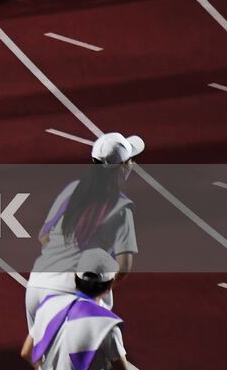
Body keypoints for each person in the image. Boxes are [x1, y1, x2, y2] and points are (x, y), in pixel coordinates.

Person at [25, 132, 143, 325]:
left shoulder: (73, 190)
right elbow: (124, 266)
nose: (134, 165)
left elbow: (43, 236)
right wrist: (95, 286)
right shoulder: (121, 207)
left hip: (38, 284)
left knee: (41, 354)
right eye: (131, 160)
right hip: (74, 295)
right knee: (85, 354)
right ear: (121, 168)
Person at [22, 250, 140, 370]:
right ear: (109, 286)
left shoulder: (49, 304)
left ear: (74, 277)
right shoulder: (107, 325)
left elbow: (26, 352)